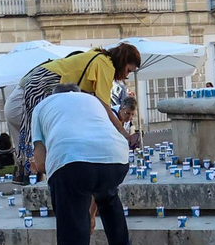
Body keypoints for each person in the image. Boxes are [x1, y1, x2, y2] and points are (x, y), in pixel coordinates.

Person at [30, 84, 133, 245]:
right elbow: (117, 129)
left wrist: (36, 166)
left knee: (73, 240)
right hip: (116, 159)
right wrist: (91, 210)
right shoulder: (93, 101)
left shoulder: (42, 107)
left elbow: (42, 161)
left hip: (71, 162)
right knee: (108, 196)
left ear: (55, 94)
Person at [14, 44, 141, 177]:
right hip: (48, 79)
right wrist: (124, 133)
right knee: (41, 133)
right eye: (128, 71)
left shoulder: (99, 56)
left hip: (40, 75)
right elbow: (104, 106)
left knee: (34, 129)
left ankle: (30, 173)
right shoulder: (106, 65)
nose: (125, 76)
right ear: (122, 61)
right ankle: (33, 176)